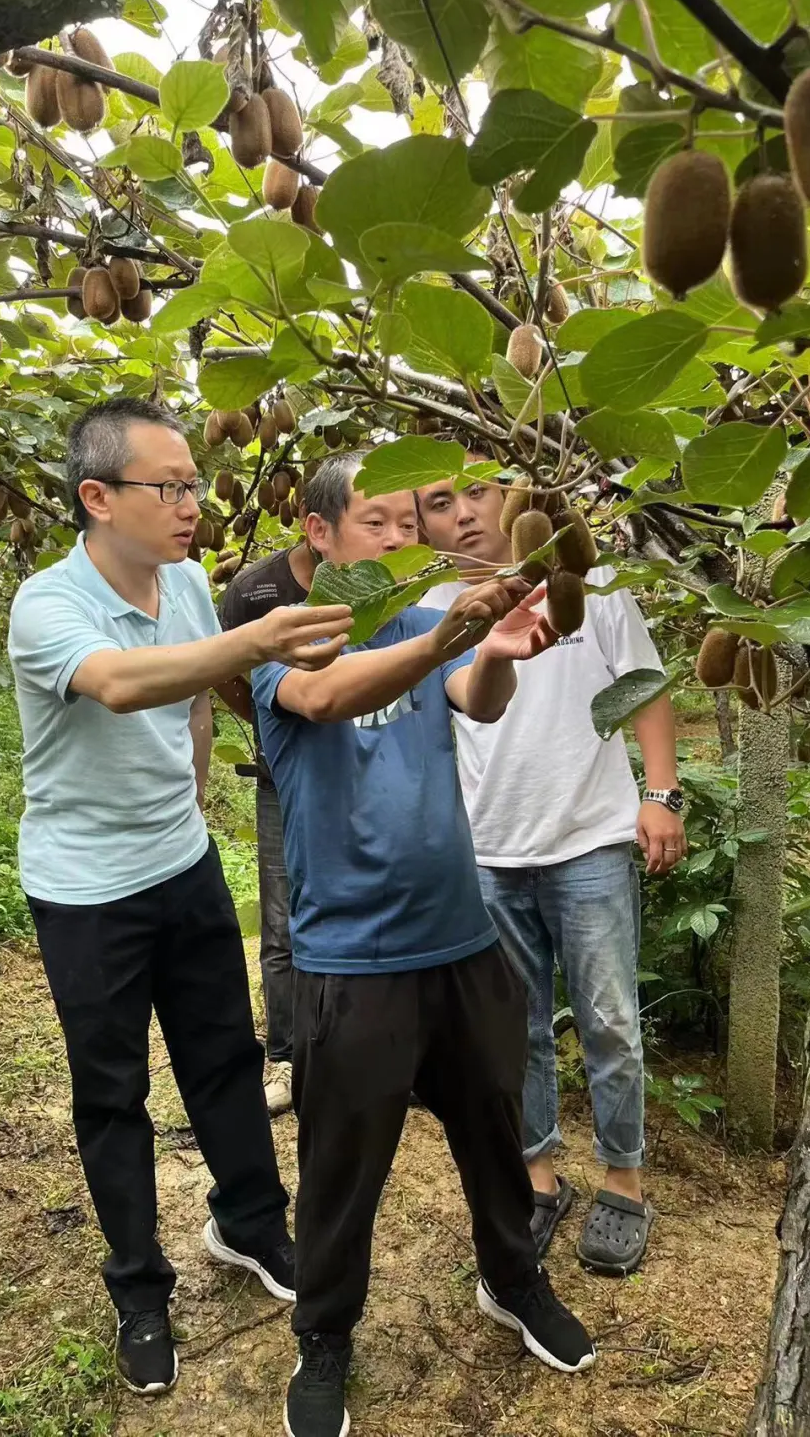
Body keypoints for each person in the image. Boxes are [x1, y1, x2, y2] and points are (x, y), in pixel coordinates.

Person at [7, 397, 353, 1397]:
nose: (193, 502)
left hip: (181, 862)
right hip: (83, 889)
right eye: (172, 487)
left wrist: (195, 788)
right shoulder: (48, 606)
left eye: (196, 484)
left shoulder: (188, 585)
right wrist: (258, 644)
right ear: (98, 499)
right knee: (112, 1092)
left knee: (225, 1055)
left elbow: (193, 703)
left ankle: (251, 1224)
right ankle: (139, 1291)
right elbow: (120, 684)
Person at [252, 454, 596, 1437]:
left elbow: (474, 703)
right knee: (341, 1167)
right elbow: (327, 701)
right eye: (378, 523)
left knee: (496, 1125)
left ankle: (512, 1281)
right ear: (320, 534)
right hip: (350, 963)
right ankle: (325, 1335)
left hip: (459, 941)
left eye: (411, 522)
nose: (403, 540)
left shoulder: (423, 622)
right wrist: (454, 628)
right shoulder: (282, 638)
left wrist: (495, 651)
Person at [417, 464, 687, 1277]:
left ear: (513, 498)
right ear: (421, 523)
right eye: (438, 502)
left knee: (608, 1020)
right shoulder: (429, 615)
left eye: (477, 493)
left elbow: (647, 686)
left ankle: (625, 1182)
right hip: (489, 848)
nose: (463, 514)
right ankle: (537, 1175)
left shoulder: (589, 583)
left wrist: (661, 793)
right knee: (514, 1029)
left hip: (591, 838)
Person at [215, 538, 315, 1117]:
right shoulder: (256, 589)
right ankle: (285, 1056)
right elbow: (222, 663)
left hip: (354, 772)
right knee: (281, 922)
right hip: (280, 776)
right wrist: (262, 714)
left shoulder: (382, 578)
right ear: (316, 527)